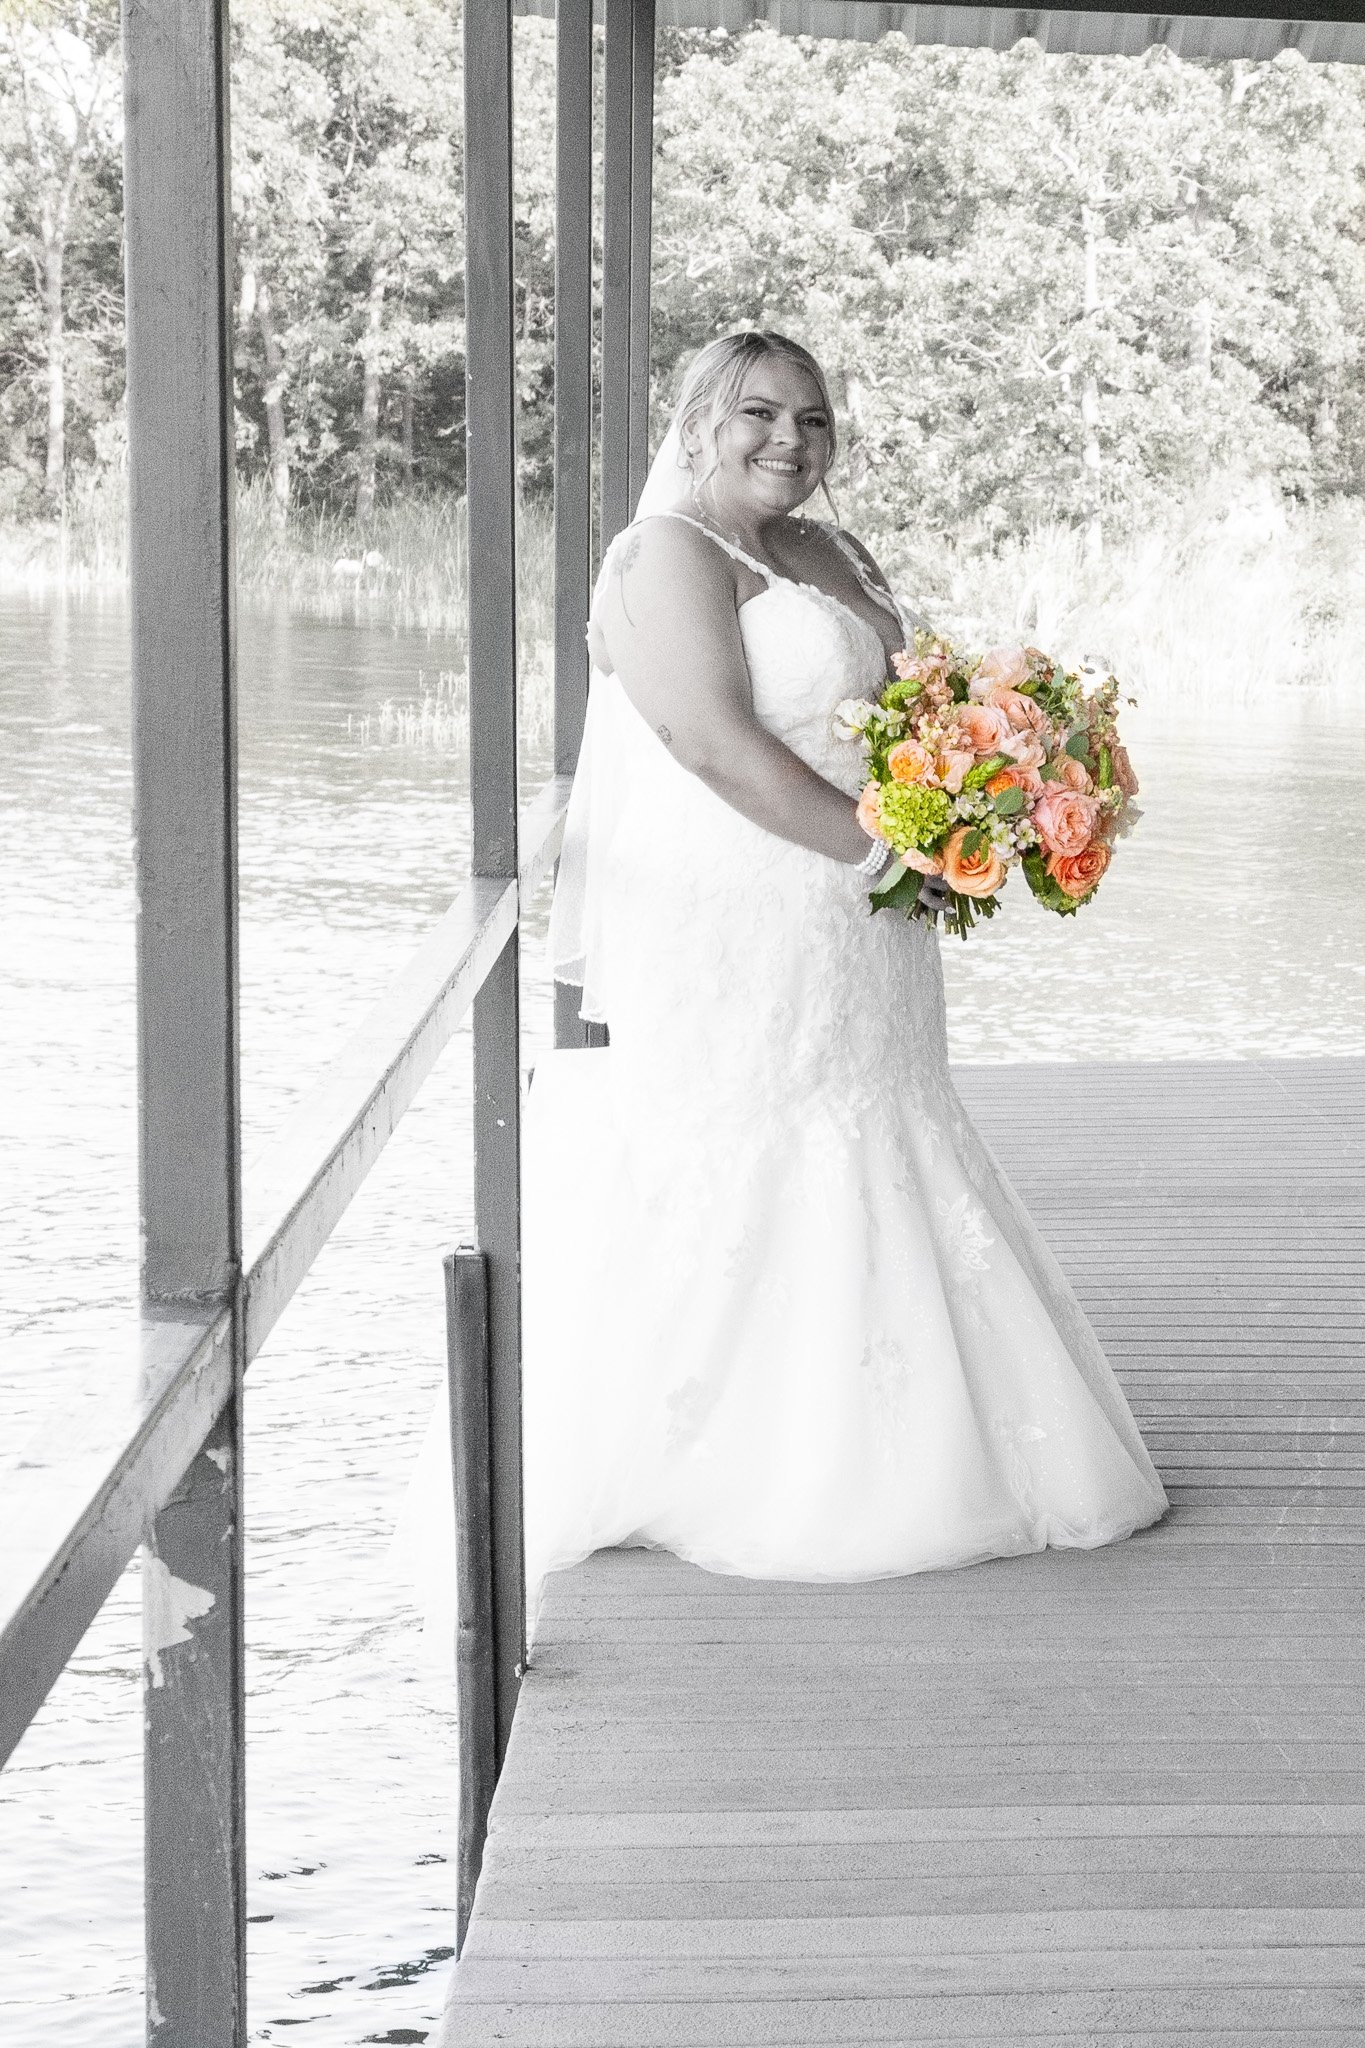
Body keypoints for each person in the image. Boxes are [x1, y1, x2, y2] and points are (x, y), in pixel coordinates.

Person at [520, 328, 1166, 1609]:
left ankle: (914, 1440)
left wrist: (992, 787)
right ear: (699, 422)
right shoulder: (664, 555)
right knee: (755, 1142)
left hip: (868, 925)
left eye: (813, 419)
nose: (791, 440)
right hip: (749, 908)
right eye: (760, 413)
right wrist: (886, 852)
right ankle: (731, 1454)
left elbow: (902, 713)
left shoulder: (833, 550)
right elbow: (710, 743)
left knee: (876, 1125)